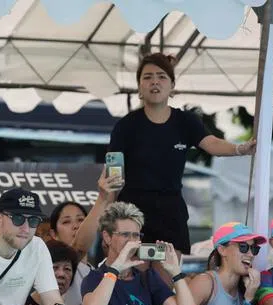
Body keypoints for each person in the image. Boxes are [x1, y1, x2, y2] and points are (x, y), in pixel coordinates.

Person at [107, 53, 256, 255]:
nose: (154, 82)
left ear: (172, 86)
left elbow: (211, 144)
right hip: (132, 217)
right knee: (135, 274)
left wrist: (240, 149)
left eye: (161, 76)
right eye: (147, 77)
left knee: (167, 279)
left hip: (170, 215)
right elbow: (113, 178)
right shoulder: (125, 127)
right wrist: (108, 219)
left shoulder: (186, 122)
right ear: (139, 88)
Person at [79, 202, 199, 305]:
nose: (131, 241)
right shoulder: (94, 278)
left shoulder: (147, 278)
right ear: (107, 237)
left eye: (136, 235)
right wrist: (115, 269)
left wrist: (176, 273)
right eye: (125, 234)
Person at [186, 222, 263, 305]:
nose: (251, 254)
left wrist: (250, 297)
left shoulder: (246, 288)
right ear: (222, 250)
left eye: (254, 249)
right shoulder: (205, 283)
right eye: (243, 247)